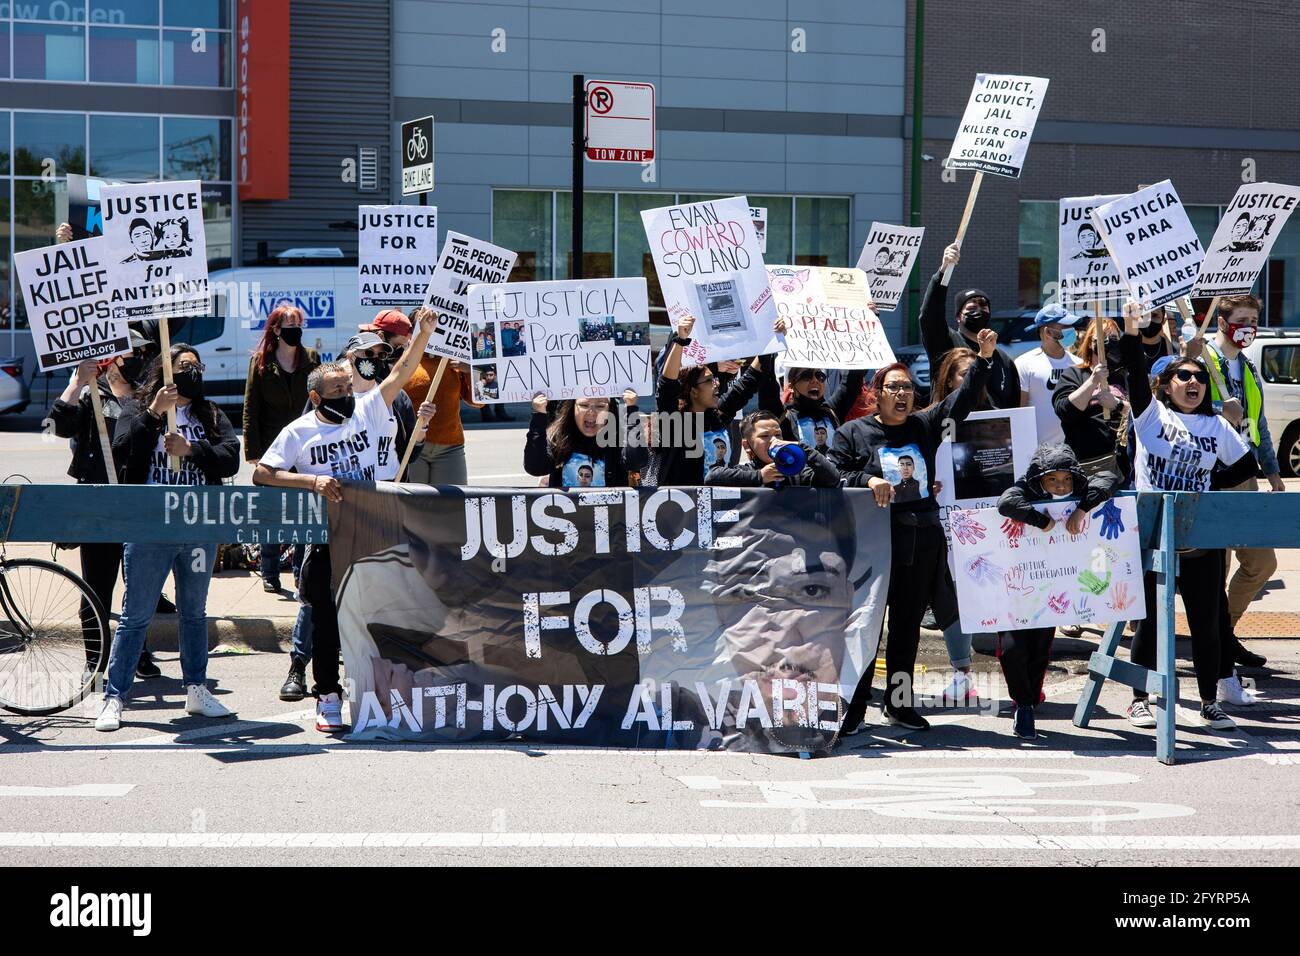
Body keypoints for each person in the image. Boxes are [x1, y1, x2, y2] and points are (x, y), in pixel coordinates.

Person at [253, 309, 436, 733]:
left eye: (348, 387)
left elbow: (401, 372)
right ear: (316, 398)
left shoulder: (368, 411)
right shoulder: (298, 432)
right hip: (327, 538)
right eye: (337, 390)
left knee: (380, 613)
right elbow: (263, 473)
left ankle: (378, 692)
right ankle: (328, 695)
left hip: (374, 532)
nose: (347, 395)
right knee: (326, 618)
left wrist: (421, 336)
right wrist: (312, 481)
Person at [831, 327, 997, 732]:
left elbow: (959, 402)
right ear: (876, 392)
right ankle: (851, 710)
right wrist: (866, 481)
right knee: (866, 625)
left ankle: (899, 704)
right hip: (872, 544)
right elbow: (833, 473)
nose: (903, 394)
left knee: (907, 628)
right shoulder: (853, 432)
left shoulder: (924, 426)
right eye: (894, 387)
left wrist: (984, 360)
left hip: (921, 539)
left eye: (908, 387)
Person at [1119, 301, 1258, 731]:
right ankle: (1141, 698)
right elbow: (1131, 372)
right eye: (1184, 376)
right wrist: (1129, 328)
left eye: (1199, 377)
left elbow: (1244, 467)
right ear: (1165, 386)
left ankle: (1209, 701)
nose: (1194, 381)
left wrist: (1237, 425)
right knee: (1149, 621)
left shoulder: (1216, 427)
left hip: (1198, 538)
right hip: (1153, 533)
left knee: (1206, 622)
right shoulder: (1150, 416)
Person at [95, 344, 242, 732]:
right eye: (184, 366)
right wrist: (154, 413)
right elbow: (124, 452)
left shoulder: (209, 414)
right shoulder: (137, 409)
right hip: (150, 528)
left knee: (194, 613)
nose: (193, 371)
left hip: (197, 530)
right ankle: (115, 695)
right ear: (166, 371)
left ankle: (196, 688)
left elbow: (231, 457)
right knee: (136, 615)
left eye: (198, 366)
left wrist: (192, 449)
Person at [49, 330, 158, 679]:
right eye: (136, 353)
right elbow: (58, 425)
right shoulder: (92, 398)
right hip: (99, 505)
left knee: (139, 588)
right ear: (114, 360)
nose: (142, 359)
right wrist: (78, 381)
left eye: (145, 352)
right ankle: (94, 660)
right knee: (96, 588)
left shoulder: (149, 400)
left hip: (139, 503)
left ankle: (136, 652)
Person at [995, 443, 1121, 738]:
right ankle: (1023, 704)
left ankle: (1028, 699)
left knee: (1039, 650)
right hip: (1015, 586)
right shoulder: (1024, 491)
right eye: (1052, 480)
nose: (1061, 485)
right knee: (1012, 649)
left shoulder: (1080, 491)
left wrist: (1081, 508)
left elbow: (1110, 478)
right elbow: (1005, 503)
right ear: (1038, 480)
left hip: (1053, 588)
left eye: (1066, 479)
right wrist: (1043, 521)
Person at [1203, 294, 1285, 654]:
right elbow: (1178, 407)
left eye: (1253, 320)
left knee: (1262, 561)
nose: (1249, 327)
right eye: (1242, 319)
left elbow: (1260, 424)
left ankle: (1225, 628)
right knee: (1213, 568)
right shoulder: (1201, 360)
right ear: (1222, 323)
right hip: (1210, 476)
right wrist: (1221, 408)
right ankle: (1215, 643)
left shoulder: (1249, 367)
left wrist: (1273, 471)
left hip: (1245, 474)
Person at [640, 315, 784, 486]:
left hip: (721, 507)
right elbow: (666, 387)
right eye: (709, 381)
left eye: (715, 380)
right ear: (692, 390)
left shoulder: (717, 417)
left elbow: (748, 383)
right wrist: (680, 340)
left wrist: (770, 339)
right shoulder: (674, 423)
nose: (717, 385)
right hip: (683, 508)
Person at [242, 303, 320, 593]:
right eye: (289, 327)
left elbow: (319, 400)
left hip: (304, 443)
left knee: (301, 511)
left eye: (298, 326)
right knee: (272, 512)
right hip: (272, 446)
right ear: (276, 330)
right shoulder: (261, 361)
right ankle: (269, 571)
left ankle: (301, 572)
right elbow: (251, 407)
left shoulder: (310, 358)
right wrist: (253, 452)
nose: (295, 332)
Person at [383, 307, 479, 486]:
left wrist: (470, 371)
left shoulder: (454, 361)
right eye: (424, 324)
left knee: (451, 508)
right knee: (415, 508)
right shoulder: (403, 362)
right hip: (412, 446)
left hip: (450, 447)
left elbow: (477, 402)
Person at [919, 243, 1021, 408]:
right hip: (954, 428)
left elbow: (1013, 404)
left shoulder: (1004, 359)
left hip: (995, 431)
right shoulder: (946, 344)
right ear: (959, 316)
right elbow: (930, 316)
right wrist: (943, 272)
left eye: (983, 307)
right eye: (972, 308)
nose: (979, 311)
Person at [342, 330, 435, 481]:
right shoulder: (333, 395)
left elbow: (410, 455)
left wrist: (423, 426)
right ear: (351, 356)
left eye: (381, 355)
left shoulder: (397, 397)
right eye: (369, 353)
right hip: (350, 490)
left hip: (391, 488)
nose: (375, 359)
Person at [1052, 316, 1132, 480]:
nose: (1109, 343)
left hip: (1124, 463)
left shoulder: (1124, 376)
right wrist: (1094, 379)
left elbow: (1143, 412)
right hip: (1089, 465)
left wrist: (1117, 404)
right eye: (1103, 338)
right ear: (1090, 342)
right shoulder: (1074, 374)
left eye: (1114, 338)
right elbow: (1065, 411)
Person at [523, 392, 643, 488]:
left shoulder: (618, 438)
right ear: (573, 408)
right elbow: (535, 467)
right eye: (584, 405)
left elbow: (636, 462)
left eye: (600, 406)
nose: (592, 412)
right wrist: (538, 415)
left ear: (610, 410)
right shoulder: (558, 437)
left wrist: (631, 409)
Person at [704, 409, 840, 488]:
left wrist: (801, 447)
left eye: (777, 434)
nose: (774, 440)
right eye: (764, 436)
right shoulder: (746, 471)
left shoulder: (797, 472)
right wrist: (760, 476)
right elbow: (712, 477)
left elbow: (833, 478)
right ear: (747, 445)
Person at [1015, 304, 1083, 445]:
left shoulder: (1079, 364)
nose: (1072, 331)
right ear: (1047, 332)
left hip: (1073, 450)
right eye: (1064, 326)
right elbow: (1019, 412)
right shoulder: (1024, 363)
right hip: (1037, 451)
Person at [777, 365, 868, 449]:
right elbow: (767, 384)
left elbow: (852, 380)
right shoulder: (784, 417)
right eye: (806, 376)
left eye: (820, 376)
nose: (815, 380)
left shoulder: (831, 411)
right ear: (791, 386)